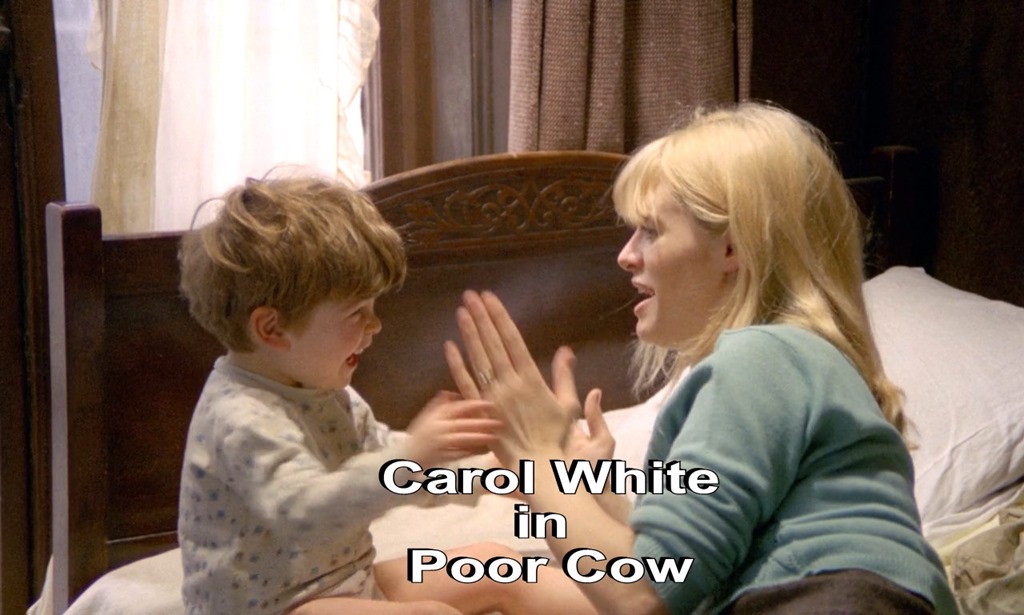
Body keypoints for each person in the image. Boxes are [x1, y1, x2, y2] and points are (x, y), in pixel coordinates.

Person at [445, 103, 957, 614]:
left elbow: (644, 594)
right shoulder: (800, 366)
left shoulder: (762, 357)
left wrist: (536, 459)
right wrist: (581, 490)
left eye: (651, 230)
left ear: (732, 248)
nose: (626, 255)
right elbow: (688, 571)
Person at [177, 175, 596, 615]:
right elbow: (305, 512)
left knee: (496, 564)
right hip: (273, 607)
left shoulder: (324, 391)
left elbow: (389, 470)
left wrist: (498, 471)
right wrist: (412, 454)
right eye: (357, 312)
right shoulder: (240, 418)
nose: (375, 326)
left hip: (345, 582)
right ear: (272, 328)